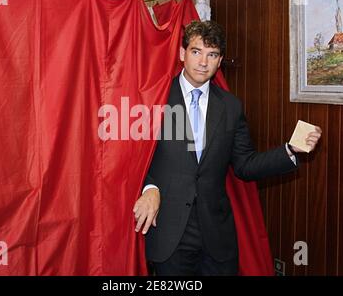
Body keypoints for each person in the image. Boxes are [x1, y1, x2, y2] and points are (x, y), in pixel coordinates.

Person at [133, 20, 322, 276]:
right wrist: (150, 186)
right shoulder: (155, 97)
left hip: (217, 238)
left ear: (219, 61)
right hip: (169, 233)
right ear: (182, 53)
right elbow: (133, 158)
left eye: (211, 55)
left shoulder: (231, 107)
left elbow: (245, 165)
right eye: (196, 52)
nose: (203, 62)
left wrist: (290, 150)